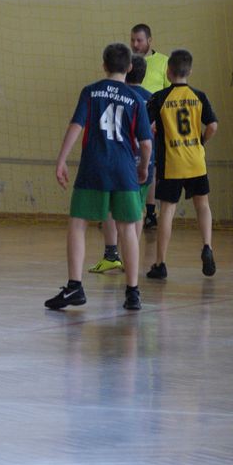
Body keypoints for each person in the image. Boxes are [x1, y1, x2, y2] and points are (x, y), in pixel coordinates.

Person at [44, 42, 152, 311]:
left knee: (78, 223)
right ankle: (133, 292)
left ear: (104, 65)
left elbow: (76, 125)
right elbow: (146, 143)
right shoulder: (136, 99)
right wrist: (143, 168)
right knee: (128, 228)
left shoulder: (90, 92)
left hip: (94, 166)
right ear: (130, 67)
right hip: (124, 169)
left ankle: (74, 286)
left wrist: (61, 159)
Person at [145, 49, 218, 280]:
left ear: (168, 71)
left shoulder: (159, 98)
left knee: (167, 210)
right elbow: (212, 125)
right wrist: (201, 141)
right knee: (202, 206)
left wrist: (154, 130)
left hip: (172, 162)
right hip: (196, 160)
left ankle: (160, 263)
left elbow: (146, 125)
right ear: (190, 71)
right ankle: (207, 246)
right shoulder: (199, 96)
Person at [88, 54, 154, 274]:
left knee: (110, 208)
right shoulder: (151, 99)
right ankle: (129, 257)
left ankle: (111, 255)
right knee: (137, 210)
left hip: (119, 161)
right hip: (144, 161)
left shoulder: (115, 95)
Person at [130, 23, 171, 230]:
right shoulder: (127, 61)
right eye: (133, 40)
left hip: (152, 123)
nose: (135, 44)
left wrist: (159, 121)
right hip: (127, 122)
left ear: (149, 41)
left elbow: (169, 94)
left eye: (139, 40)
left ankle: (150, 212)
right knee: (126, 163)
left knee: (150, 166)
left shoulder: (163, 62)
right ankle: (119, 208)